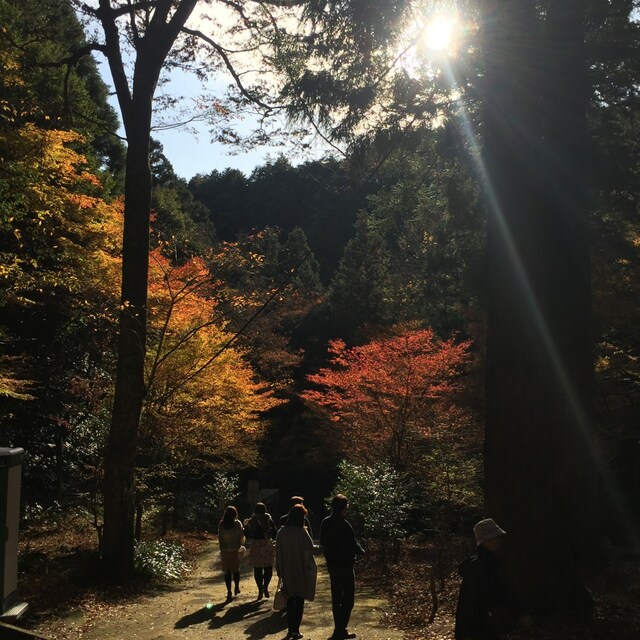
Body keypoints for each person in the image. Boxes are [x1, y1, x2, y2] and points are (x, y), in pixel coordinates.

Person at [454, 518, 518, 640]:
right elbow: (468, 607)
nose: (499, 541)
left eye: (499, 538)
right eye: (495, 538)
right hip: (478, 631)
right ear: (485, 541)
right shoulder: (477, 569)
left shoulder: (492, 564)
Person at [319, 494, 365, 640]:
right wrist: (361, 551)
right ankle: (341, 629)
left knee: (336, 597)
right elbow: (352, 543)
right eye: (347, 506)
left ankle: (339, 629)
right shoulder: (345, 524)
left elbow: (322, 542)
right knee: (348, 598)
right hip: (345, 565)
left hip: (332, 565)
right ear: (343, 507)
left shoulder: (326, 522)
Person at [276, 503, 318, 640]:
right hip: (301, 570)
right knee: (299, 600)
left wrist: (279, 570)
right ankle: (295, 630)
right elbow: (311, 549)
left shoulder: (281, 533)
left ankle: (290, 629)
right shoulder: (302, 532)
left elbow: (278, 553)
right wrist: (325, 547)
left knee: (289, 600)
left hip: (287, 570)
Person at [244, 501, 277, 599]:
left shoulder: (251, 521)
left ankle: (260, 590)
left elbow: (247, 535)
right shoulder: (269, 519)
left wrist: (246, 525)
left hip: (256, 545)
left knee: (257, 569)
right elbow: (275, 532)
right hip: (266, 545)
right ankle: (265, 586)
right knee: (268, 568)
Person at [217, 505, 245, 601]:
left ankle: (229, 591)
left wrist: (222, 548)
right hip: (235, 550)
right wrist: (239, 545)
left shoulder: (222, 524)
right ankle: (236, 586)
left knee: (227, 572)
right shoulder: (237, 524)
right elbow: (241, 535)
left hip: (225, 551)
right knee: (236, 570)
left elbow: (220, 537)